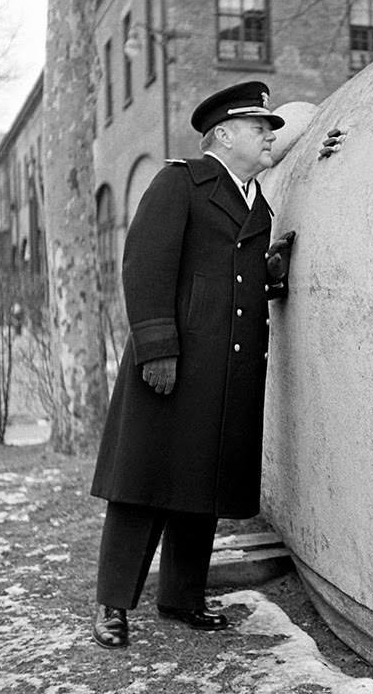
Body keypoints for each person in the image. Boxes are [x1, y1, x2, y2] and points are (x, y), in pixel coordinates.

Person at [90, 81, 295, 649]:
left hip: (223, 374)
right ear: (223, 135)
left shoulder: (259, 202)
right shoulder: (179, 182)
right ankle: (112, 605)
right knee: (143, 486)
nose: (268, 138)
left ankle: (181, 597)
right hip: (172, 364)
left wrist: (270, 273)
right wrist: (156, 348)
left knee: (197, 485)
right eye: (260, 129)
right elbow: (145, 266)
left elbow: (231, 280)